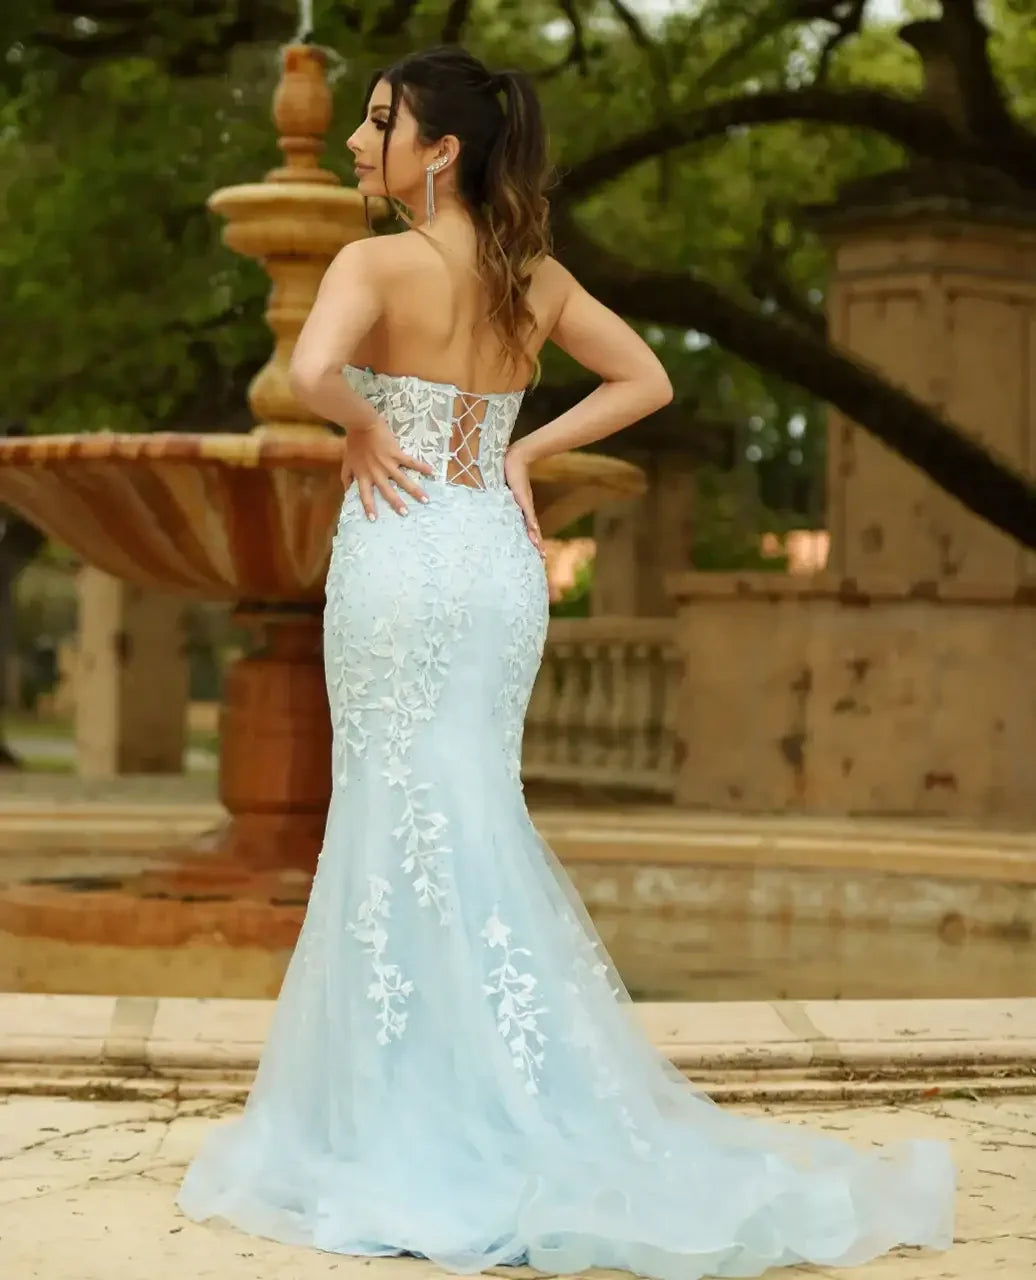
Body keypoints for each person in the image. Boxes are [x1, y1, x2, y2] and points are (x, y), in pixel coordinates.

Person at [176, 45, 954, 1278]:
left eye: (381, 124)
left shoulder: (370, 260)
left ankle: (403, 1110)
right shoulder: (528, 276)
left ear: (441, 153)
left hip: (396, 544)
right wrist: (525, 454)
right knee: (472, 801)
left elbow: (312, 374)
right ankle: (506, 1093)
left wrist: (371, 425)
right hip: (489, 550)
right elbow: (642, 377)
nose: (360, 143)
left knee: (393, 807)